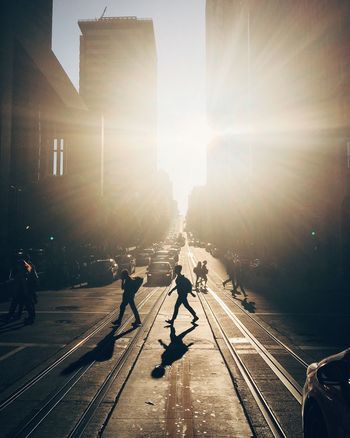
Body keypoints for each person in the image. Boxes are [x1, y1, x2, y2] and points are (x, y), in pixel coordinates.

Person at [7, 259, 35, 324]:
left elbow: (22, 283)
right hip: (23, 291)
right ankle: (30, 317)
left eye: (19, 265)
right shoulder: (26, 271)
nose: (17, 266)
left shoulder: (23, 273)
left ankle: (30, 318)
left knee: (21, 304)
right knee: (26, 305)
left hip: (23, 291)